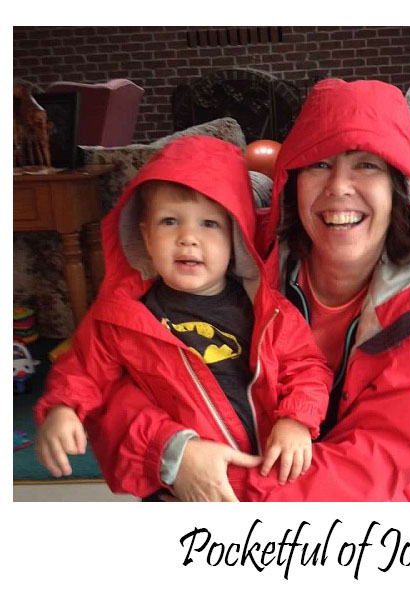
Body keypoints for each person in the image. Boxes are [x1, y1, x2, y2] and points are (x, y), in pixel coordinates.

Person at [82, 79, 410, 502]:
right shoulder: (232, 251)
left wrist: (219, 485)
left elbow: (381, 459)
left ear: (400, 187)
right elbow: (110, 367)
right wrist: (173, 451)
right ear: (293, 179)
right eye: (318, 163)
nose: (339, 186)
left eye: (367, 165)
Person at [34, 135, 333, 501]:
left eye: (209, 224)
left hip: (265, 475)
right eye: (169, 221)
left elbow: (307, 368)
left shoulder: (269, 311)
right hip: (175, 485)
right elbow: (82, 368)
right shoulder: (121, 316)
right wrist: (63, 407)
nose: (188, 238)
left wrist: (296, 419)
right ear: (145, 236)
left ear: (236, 237)